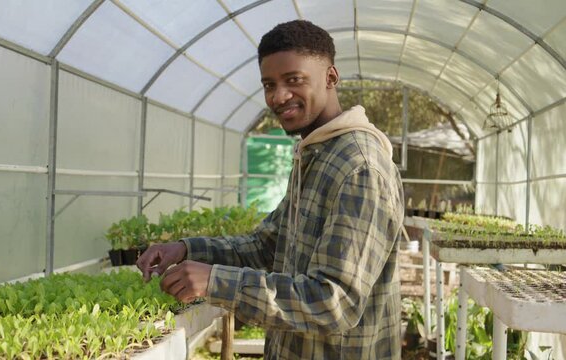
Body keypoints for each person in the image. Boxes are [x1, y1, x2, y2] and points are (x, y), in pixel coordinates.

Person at [137, 20, 404, 360]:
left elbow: (334, 302)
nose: (278, 96)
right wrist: (186, 250)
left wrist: (215, 281)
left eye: (294, 80)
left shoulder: (359, 167)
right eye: (269, 84)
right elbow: (268, 245)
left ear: (331, 78)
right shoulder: (317, 153)